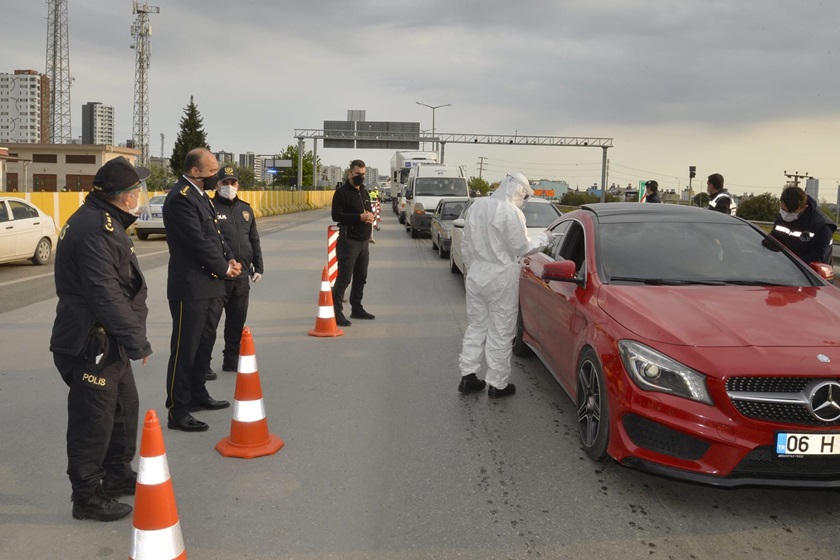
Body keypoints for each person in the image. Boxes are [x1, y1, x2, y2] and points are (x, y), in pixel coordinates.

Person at [50, 156, 152, 521]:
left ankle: (117, 474)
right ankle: (86, 496)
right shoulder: (95, 229)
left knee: (123, 410)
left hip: (111, 341)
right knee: (92, 422)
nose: (142, 194)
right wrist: (136, 340)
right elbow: (104, 293)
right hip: (91, 342)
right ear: (124, 196)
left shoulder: (105, 222)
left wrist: (128, 337)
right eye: (137, 189)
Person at [163, 148, 241, 432]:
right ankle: (178, 409)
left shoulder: (199, 196)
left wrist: (230, 258)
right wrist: (224, 267)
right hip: (191, 287)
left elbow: (216, 237)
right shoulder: (180, 199)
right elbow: (196, 242)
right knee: (185, 349)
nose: (216, 176)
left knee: (203, 344)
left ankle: (197, 394)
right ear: (195, 171)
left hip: (210, 285)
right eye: (211, 171)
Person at [458, 172, 551, 398]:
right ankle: (498, 384)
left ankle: (468, 376)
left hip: (477, 273)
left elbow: (466, 244)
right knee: (501, 329)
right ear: (518, 190)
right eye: (524, 195)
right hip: (501, 276)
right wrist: (546, 239)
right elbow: (522, 247)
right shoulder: (511, 212)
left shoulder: (477, 207)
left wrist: (475, 269)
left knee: (476, 325)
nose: (523, 199)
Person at [203, 165, 264, 375]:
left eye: (233, 183)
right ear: (217, 184)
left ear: (238, 185)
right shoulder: (209, 207)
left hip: (242, 277)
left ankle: (231, 360)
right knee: (209, 325)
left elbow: (253, 239)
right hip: (218, 277)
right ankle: (203, 366)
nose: (229, 186)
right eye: (225, 182)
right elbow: (206, 242)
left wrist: (259, 266)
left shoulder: (246, 209)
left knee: (236, 323)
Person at [331, 159, 376, 327]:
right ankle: (336, 313)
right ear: (350, 173)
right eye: (358, 174)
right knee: (344, 278)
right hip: (349, 240)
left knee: (361, 277)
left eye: (363, 174)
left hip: (364, 241)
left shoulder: (364, 192)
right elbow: (336, 215)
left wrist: (369, 216)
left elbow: (368, 211)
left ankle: (357, 308)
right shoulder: (342, 193)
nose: (361, 177)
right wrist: (359, 217)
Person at [770, 185, 836, 264]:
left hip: (809, 273)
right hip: (783, 268)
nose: (786, 214)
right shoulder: (781, 219)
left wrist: (787, 262)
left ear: (804, 207)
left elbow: (817, 258)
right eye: (783, 209)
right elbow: (773, 241)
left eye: (791, 212)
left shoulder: (821, 227)